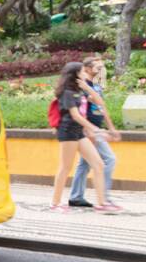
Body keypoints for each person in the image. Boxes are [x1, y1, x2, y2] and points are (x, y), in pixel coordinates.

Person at [49, 61, 121, 213]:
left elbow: (99, 101)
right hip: (68, 131)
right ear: (75, 74)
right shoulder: (67, 92)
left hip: (79, 132)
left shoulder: (79, 90)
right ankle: (55, 204)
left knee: (99, 164)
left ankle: (101, 204)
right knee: (65, 167)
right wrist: (96, 130)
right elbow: (75, 115)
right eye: (82, 71)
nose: (84, 74)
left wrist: (87, 87)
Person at [68, 55, 119, 207]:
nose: (101, 69)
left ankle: (76, 196)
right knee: (109, 159)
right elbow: (79, 110)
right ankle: (104, 198)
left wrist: (110, 127)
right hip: (89, 129)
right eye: (98, 67)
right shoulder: (82, 86)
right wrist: (88, 130)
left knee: (85, 163)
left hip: (96, 128)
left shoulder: (94, 86)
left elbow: (101, 106)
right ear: (88, 68)